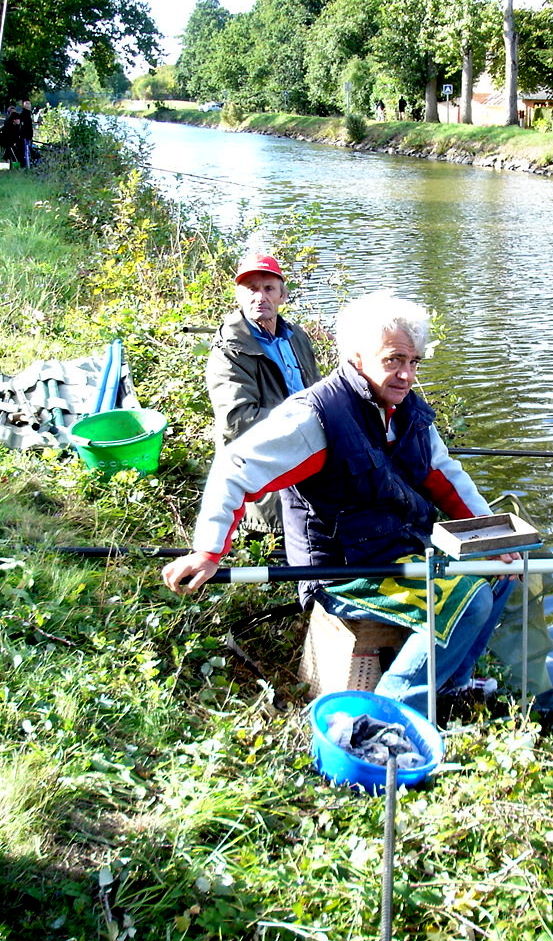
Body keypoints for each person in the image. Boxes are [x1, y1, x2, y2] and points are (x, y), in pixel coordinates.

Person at [163, 292, 516, 712]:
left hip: (399, 552)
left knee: (500, 572)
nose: (406, 374)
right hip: (344, 570)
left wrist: (490, 536)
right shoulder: (315, 416)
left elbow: (446, 478)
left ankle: (451, 684)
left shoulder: (407, 411)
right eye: (393, 360)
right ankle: (387, 714)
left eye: (413, 362)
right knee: (465, 601)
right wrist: (207, 550)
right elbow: (235, 468)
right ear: (356, 355)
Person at [207, 253, 321, 535]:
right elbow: (237, 420)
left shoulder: (296, 336)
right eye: (251, 289)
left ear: (283, 295)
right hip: (263, 473)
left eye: (268, 289)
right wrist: (309, 430)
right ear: (239, 296)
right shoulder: (228, 350)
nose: (260, 297)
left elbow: (318, 394)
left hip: (308, 456)